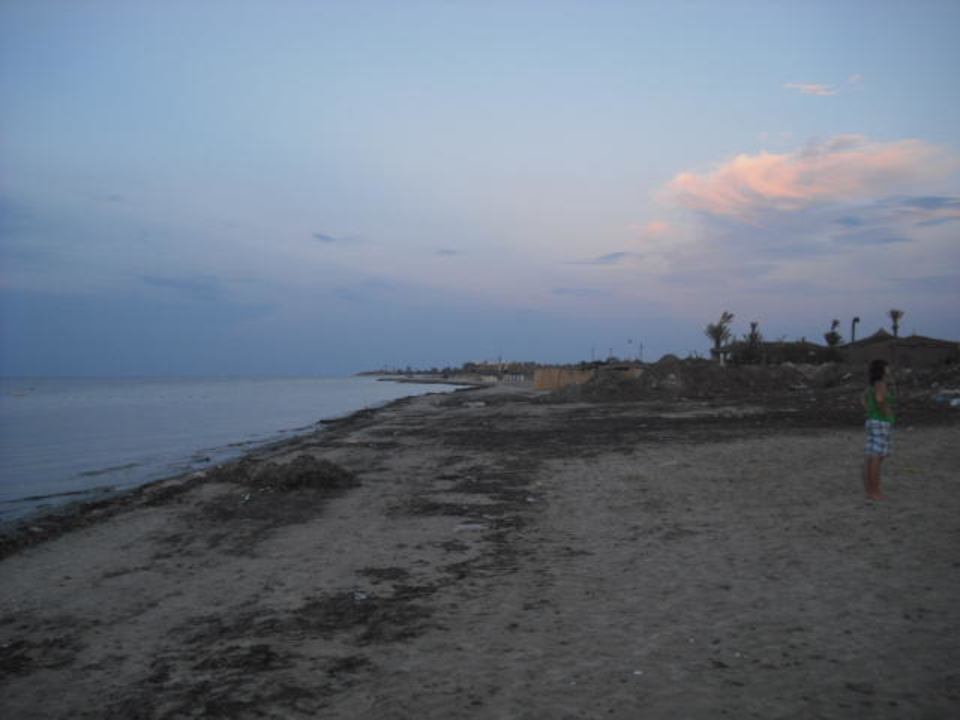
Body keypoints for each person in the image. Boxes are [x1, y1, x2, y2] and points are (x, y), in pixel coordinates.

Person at [862, 358, 895, 500]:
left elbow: (863, 398)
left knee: (871, 456)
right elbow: (880, 399)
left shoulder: (872, 385)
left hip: (872, 421)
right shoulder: (880, 384)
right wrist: (886, 413)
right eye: (887, 367)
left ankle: (870, 490)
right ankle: (875, 492)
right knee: (877, 457)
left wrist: (870, 411)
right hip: (880, 422)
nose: (889, 369)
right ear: (882, 369)